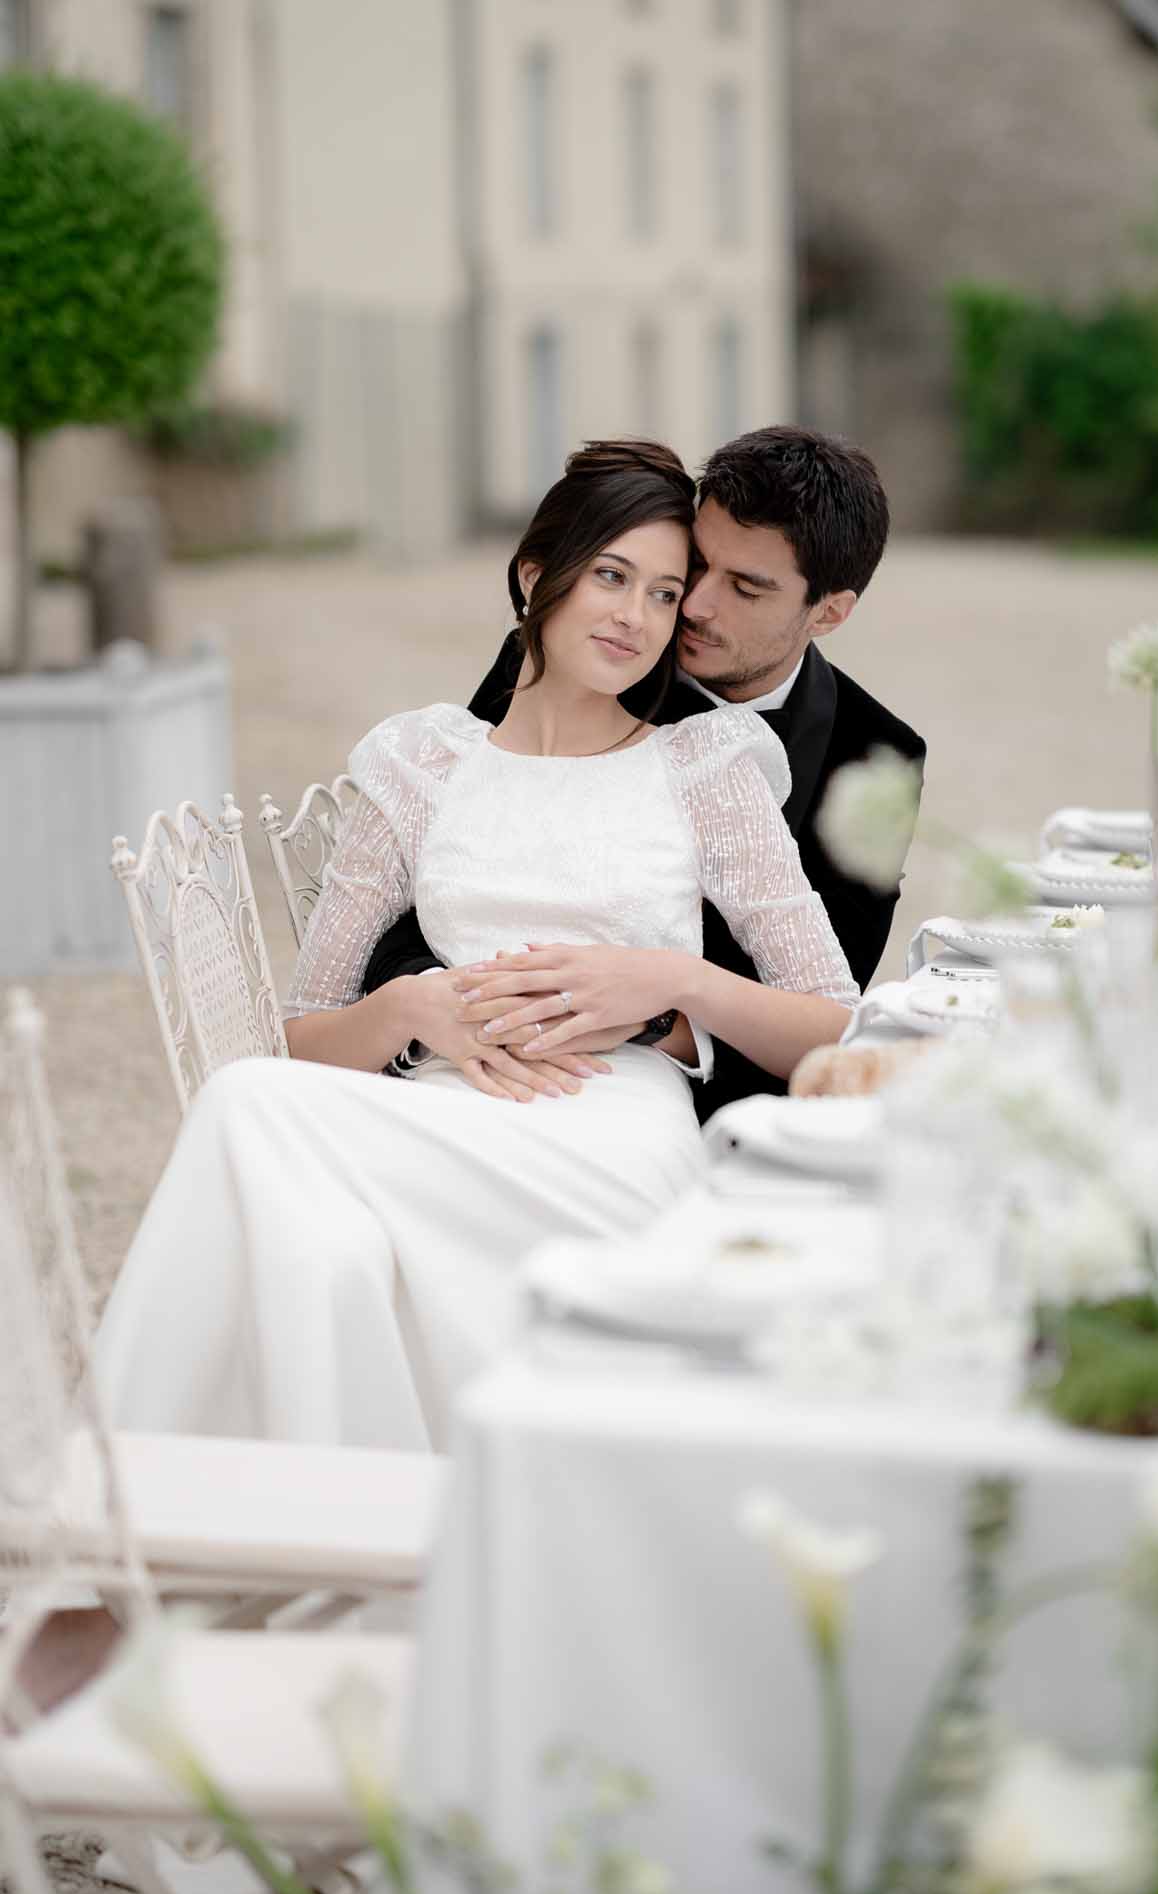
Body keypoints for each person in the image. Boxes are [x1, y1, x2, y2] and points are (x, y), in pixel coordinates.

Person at [92, 442, 859, 1452]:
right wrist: (410, 1012)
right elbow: (302, 1031)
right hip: (437, 1108)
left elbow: (840, 1020)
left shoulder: (704, 767)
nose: (638, 616)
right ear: (539, 576)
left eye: (667, 594)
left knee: (248, 1123)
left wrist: (674, 980)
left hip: (611, 1130)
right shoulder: (420, 762)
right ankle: (275, 1496)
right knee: (290, 1183)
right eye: (612, 577)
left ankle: (128, 1482)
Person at [362, 426, 926, 1118]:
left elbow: (826, 1021)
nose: (691, 606)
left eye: (745, 588)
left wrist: (658, 1018)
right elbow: (437, 876)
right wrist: (479, 1011)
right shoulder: (582, 652)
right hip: (479, 1071)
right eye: (696, 567)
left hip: (698, 1107)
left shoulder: (879, 755)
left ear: (829, 613)